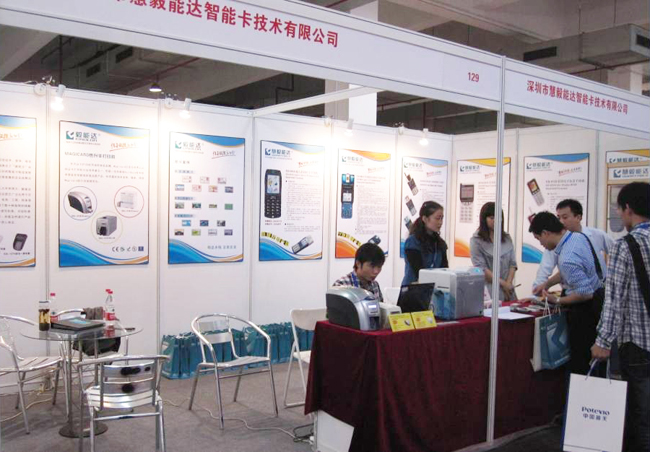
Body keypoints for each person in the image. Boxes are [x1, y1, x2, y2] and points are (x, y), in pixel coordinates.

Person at [591, 182, 650, 452]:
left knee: (640, 417)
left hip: (638, 344)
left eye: (619, 209)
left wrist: (602, 341)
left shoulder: (624, 246)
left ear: (628, 209)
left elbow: (614, 300)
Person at [529, 211, 603, 375]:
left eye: (538, 239)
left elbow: (585, 294)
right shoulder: (577, 237)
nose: (541, 244)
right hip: (598, 301)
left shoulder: (567, 257)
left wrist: (556, 301)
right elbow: (569, 271)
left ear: (546, 233)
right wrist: (546, 284)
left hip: (585, 311)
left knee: (581, 361)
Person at [532, 199, 613, 296]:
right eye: (558, 217)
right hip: (576, 294)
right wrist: (536, 293)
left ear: (578, 217)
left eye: (565, 217)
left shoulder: (595, 235)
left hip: (602, 290)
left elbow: (617, 253)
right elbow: (544, 270)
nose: (561, 221)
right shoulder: (553, 244)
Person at [470, 202, 518, 301]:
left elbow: (513, 264)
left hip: (508, 290)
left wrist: (508, 283)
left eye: (498, 217)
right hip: (490, 290)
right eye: (491, 218)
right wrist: (503, 284)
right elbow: (481, 268)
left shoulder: (506, 238)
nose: (495, 220)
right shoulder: (476, 240)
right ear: (484, 219)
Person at [402, 201, 448, 285]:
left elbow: (445, 270)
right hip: (414, 287)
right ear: (425, 219)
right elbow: (419, 272)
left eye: (442, 218)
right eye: (437, 218)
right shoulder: (412, 242)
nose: (440, 222)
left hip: (435, 287)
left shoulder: (440, 243)